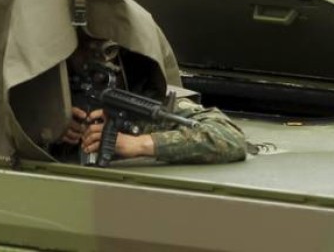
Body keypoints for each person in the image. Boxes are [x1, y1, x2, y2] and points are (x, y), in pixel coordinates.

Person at [59, 36, 246, 165]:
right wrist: (49, 128)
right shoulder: (45, 99)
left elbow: (229, 136)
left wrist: (137, 144)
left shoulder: (144, 101)